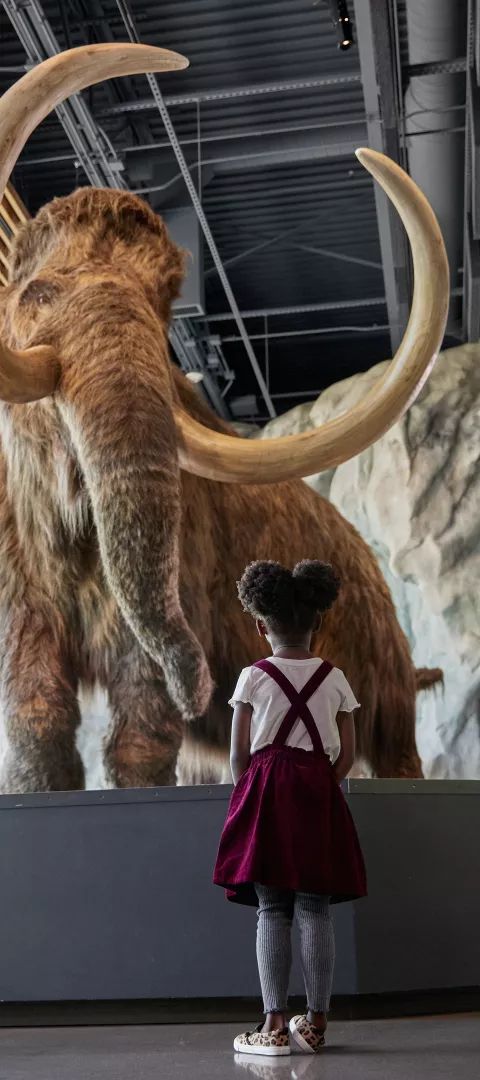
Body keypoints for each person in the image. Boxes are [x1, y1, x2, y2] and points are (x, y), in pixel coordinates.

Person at [213, 559, 367, 1057]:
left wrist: (248, 793)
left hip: (266, 790)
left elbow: (239, 753)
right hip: (316, 790)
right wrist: (324, 782)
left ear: (261, 624)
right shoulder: (335, 677)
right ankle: (316, 1022)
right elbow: (346, 752)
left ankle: (273, 1024)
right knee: (315, 906)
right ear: (317, 620)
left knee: (272, 907)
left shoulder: (251, 678)